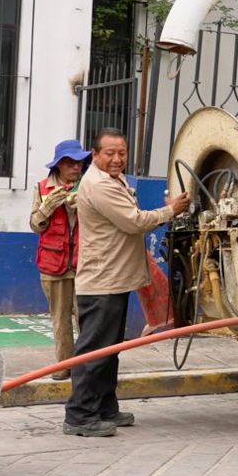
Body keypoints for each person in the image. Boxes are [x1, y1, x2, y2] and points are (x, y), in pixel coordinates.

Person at [64, 128, 189, 437]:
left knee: (109, 349)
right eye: (110, 153)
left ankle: (105, 407)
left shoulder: (111, 179)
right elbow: (133, 222)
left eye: (122, 153)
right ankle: (79, 415)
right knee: (94, 350)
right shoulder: (98, 184)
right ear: (94, 155)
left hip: (115, 278)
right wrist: (170, 210)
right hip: (102, 281)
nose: (117, 159)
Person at [29, 139, 89, 380]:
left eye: (79, 163)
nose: (76, 168)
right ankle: (65, 365)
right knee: (60, 320)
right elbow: (35, 225)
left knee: (86, 320)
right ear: (60, 165)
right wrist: (47, 209)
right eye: (71, 163)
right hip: (53, 266)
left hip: (84, 265)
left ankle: (87, 366)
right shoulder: (43, 188)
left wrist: (82, 205)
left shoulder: (89, 186)